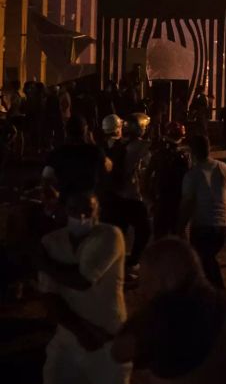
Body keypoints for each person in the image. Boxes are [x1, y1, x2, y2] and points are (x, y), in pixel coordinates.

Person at [111, 238, 226, 384]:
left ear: (165, 280)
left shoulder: (159, 321)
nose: (142, 290)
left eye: (145, 281)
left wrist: (146, 309)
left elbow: (118, 351)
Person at [37, 192, 130, 384]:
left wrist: (42, 263)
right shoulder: (52, 242)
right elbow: (50, 298)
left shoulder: (110, 236)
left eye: (87, 210)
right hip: (67, 342)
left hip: (108, 343)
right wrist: (83, 332)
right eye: (73, 210)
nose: (80, 216)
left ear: (98, 211)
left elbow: (83, 280)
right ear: (63, 211)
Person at [179, 135, 226, 288]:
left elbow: (187, 203)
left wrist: (180, 226)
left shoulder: (192, 175)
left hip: (203, 226)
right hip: (224, 224)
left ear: (192, 152)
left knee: (204, 261)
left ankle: (218, 296)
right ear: (209, 149)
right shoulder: (224, 168)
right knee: (207, 259)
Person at [104, 114, 152, 280]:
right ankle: (132, 263)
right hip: (133, 195)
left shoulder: (118, 144)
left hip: (118, 195)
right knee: (144, 230)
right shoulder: (141, 147)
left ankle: (115, 264)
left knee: (120, 232)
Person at [43, 116, 109, 203]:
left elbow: (46, 180)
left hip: (67, 204)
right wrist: (92, 142)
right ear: (85, 130)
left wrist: (57, 197)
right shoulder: (95, 151)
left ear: (66, 131)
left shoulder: (57, 153)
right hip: (89, 204)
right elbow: (108, 167)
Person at [146, 122, 191, 240]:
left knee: (159, 237)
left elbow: (147, 176)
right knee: (179, 237)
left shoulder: (159, 154)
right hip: (177, 202)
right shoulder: (184, 157)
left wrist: (150, 197)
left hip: (161, 200)